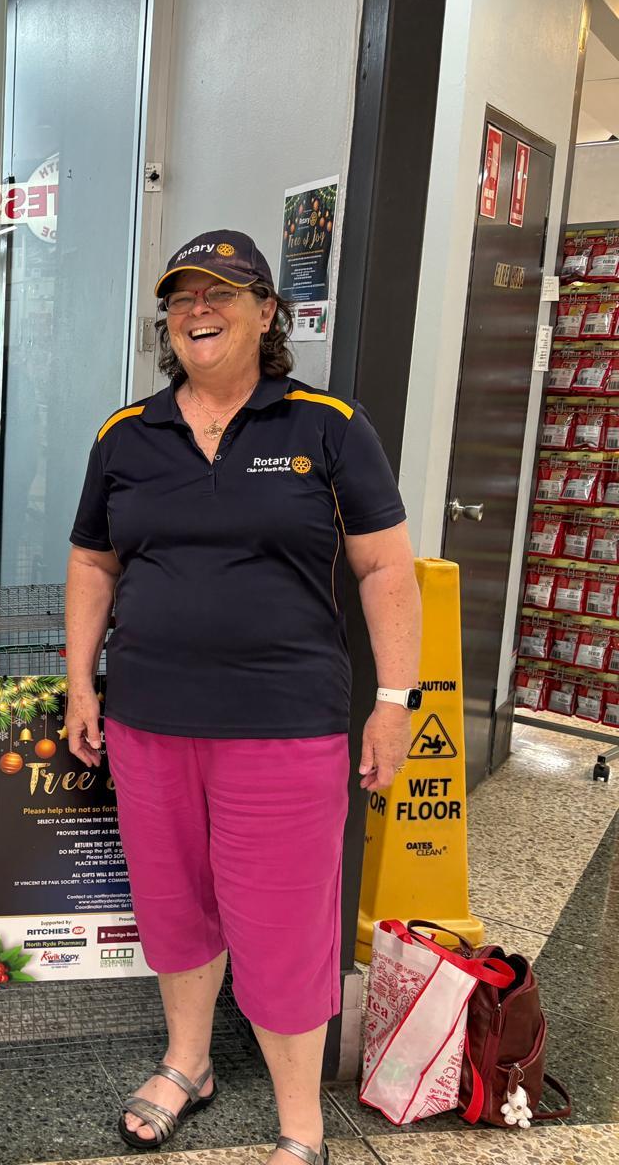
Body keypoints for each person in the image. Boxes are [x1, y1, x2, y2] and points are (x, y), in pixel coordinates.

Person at [64, 230, 420, 1165]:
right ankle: (189, 1063)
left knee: (283, 925)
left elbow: (386, 567)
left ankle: (301, 1126)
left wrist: (395, 700)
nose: (197, 309)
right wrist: (80, 682)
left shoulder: (327, 427)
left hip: (284, 728)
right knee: (174, 906)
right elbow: (94, 562)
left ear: (268, 312)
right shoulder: (125, 435)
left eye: (220, 292)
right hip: (149, 722)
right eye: (182, 296)